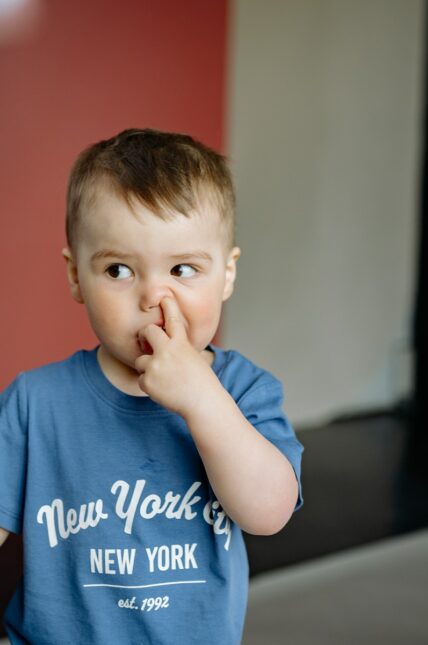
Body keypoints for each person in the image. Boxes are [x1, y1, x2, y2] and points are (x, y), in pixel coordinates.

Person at [0, 128, 304, 644]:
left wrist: (201, 398)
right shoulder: (36, 402)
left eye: (183, 269)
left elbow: (269, 512)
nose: (152, 298)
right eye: (118, 270)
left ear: (226, 275)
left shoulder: (242, 391)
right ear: (76, 276)